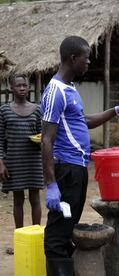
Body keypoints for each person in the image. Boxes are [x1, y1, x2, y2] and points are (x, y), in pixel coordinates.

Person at [41, 36, 119, 275]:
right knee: (56, 236)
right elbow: (46, 139)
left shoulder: (70, 89)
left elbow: (84, 122)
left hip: (78, 170)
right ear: (73, 58)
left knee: (67, 229)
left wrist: (117, 110)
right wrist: (51, 184)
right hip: (66, 171)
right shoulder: (55, 91)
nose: (88, 62)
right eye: (86, 58)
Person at [0, 74, 43, 255]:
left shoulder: (37, 109)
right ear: (11, 88)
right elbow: (0, 139)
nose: (22, 88)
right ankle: (20, 242)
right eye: (18, 85)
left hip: (34, 160)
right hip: (14, 161)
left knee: (35, 199)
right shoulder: (4, 110)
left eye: (25, 85)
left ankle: (35, 240)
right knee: (18, 200)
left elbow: (43, 134)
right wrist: (1, 162)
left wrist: (40, 140)